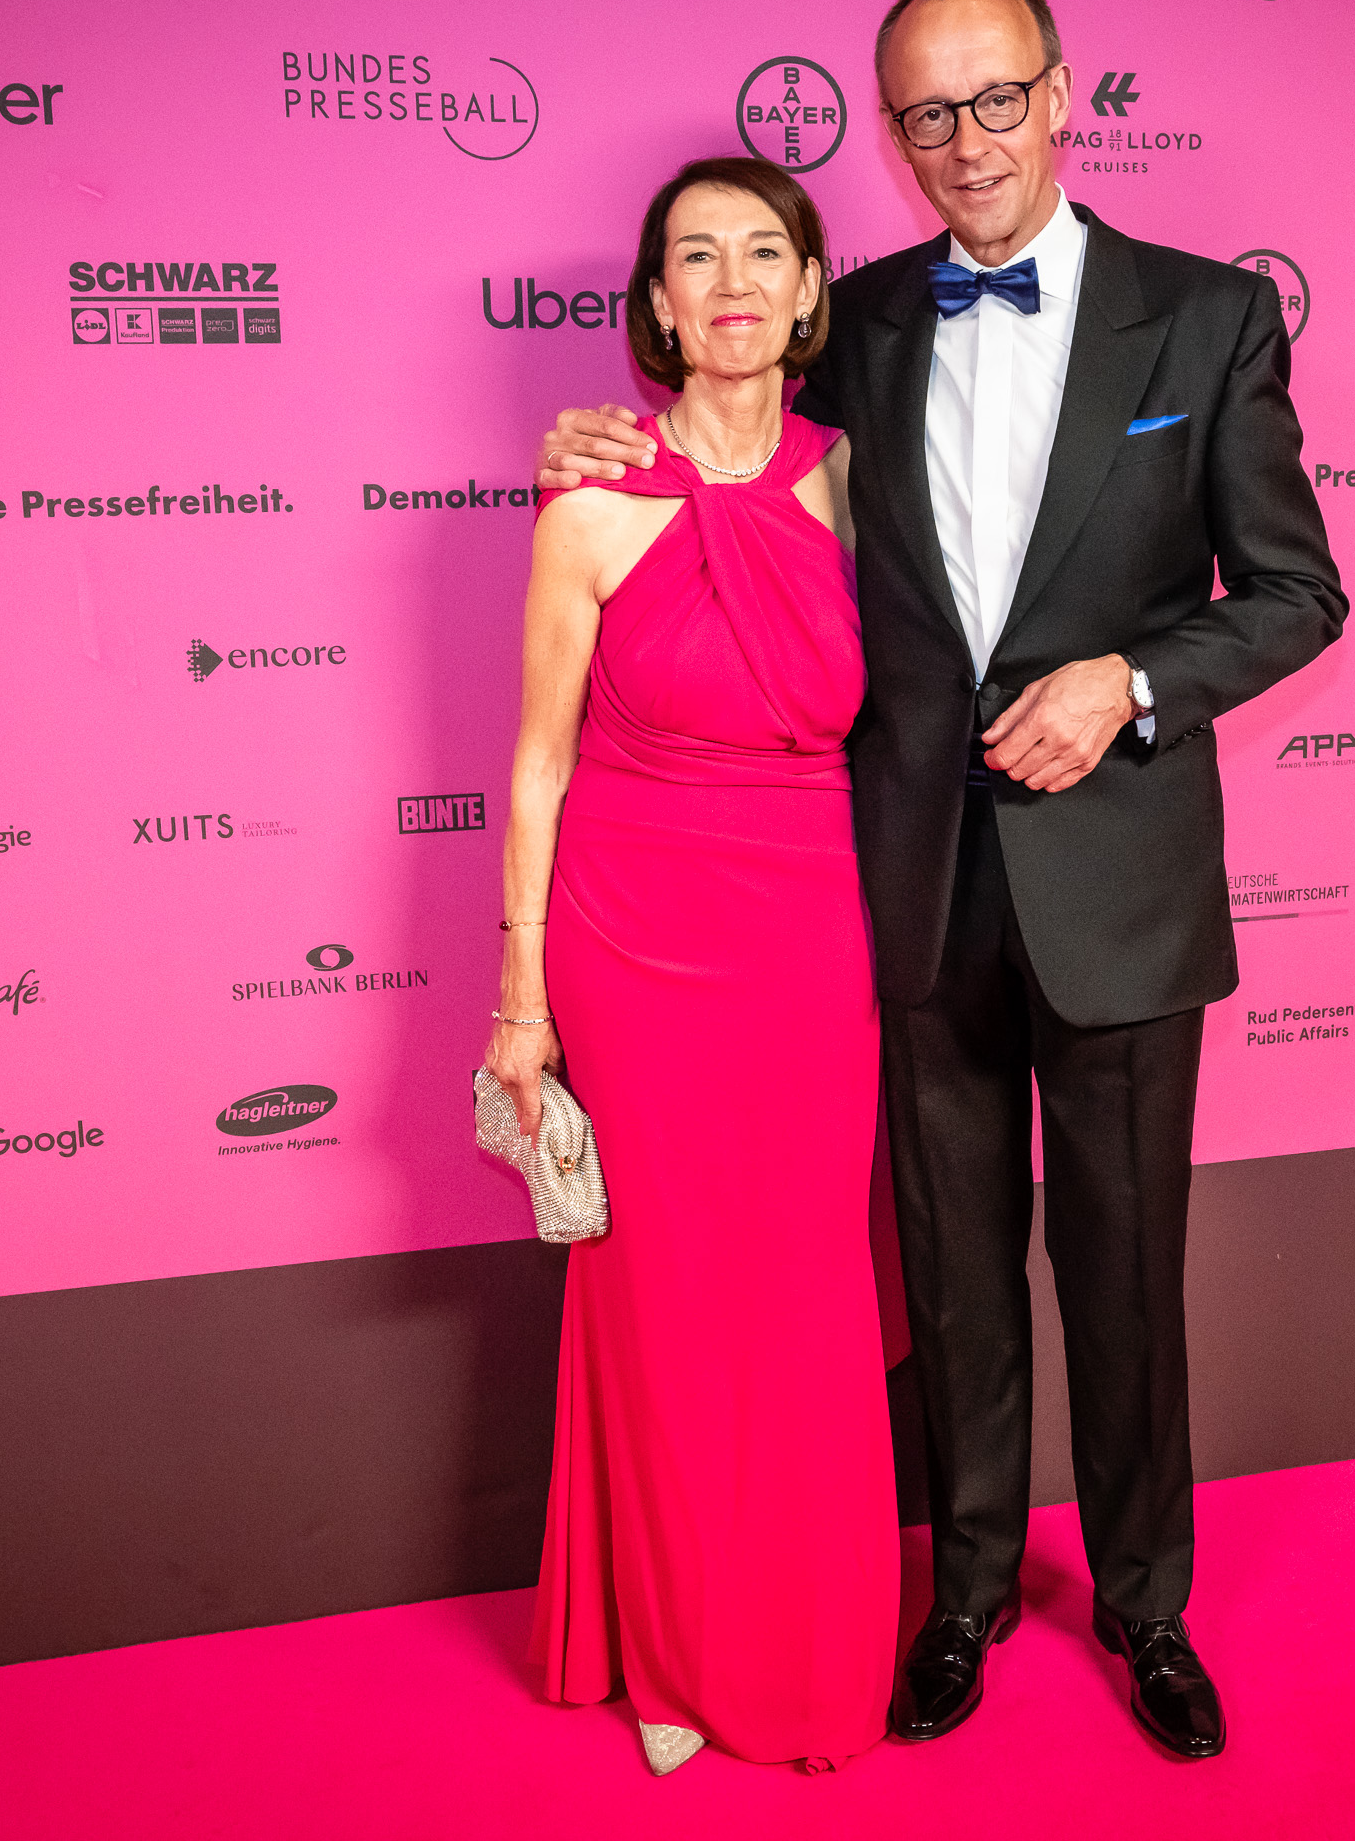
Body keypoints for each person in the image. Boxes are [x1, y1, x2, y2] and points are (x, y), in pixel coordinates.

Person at [537, 0, 1346, 1761]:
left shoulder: (1208, 318)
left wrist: (1133, 683)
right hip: (897, 887)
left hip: (1118, 883)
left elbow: (1297, 592)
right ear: (893, 138)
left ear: (1061, 96)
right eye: (924, 115)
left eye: (993, 101)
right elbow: (722, 441)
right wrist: (587, 444)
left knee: (1125, 1270)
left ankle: (1145, 1604)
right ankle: (965, 1586)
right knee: (955, 1267)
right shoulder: (860, 324)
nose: (964, 142)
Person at [485, 156, 895, 1775]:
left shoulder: (864, 483)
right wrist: (522, 998)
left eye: (763, 252)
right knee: (660, 1301)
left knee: (799, 1291)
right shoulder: (590, 501)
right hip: (632, 938)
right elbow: (538, 765)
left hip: (811, 936)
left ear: (810, 290)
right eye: (696, 257)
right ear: (658, 301)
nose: (732, 282)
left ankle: (800, 1627)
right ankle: (668, 1649)